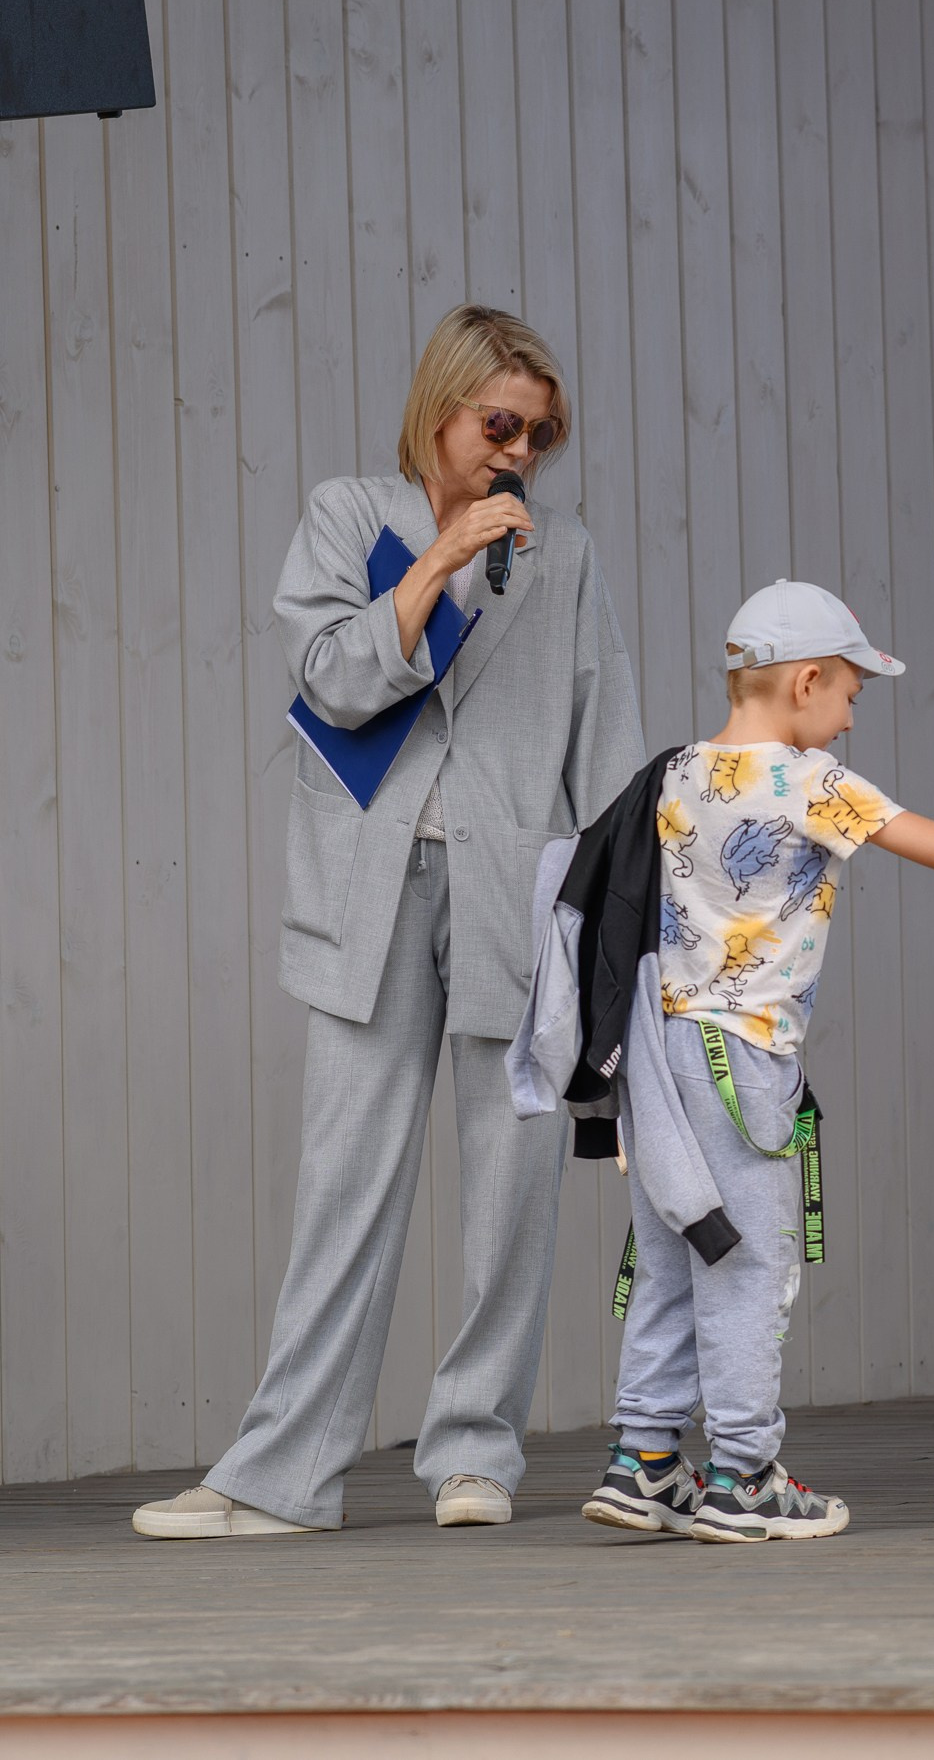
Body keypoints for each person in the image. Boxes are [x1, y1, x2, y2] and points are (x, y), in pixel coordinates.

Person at [133, 307, 646, 1538]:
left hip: (512, 894)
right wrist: (437, 561)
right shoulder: (346, 516)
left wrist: (623, 925)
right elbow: (333, 678)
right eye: (500, 424)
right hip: (369, 892)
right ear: (441, 411)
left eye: (541, 431)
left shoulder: (563, 555)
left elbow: (609, 744)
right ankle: (280, 1476)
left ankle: (477, 1453)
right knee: (343, 1185)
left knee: (510, 1188)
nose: (520, 449)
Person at [573, 579, 934, 1541]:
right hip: (744, 1058)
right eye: (849, 694)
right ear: (804, 682)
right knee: (753, 1266)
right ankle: (746, 1474)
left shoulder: (674, 773)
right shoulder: (809, 785)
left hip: (658, 1057)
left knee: (677, 1250)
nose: (847, 720)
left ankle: (645, 1460)